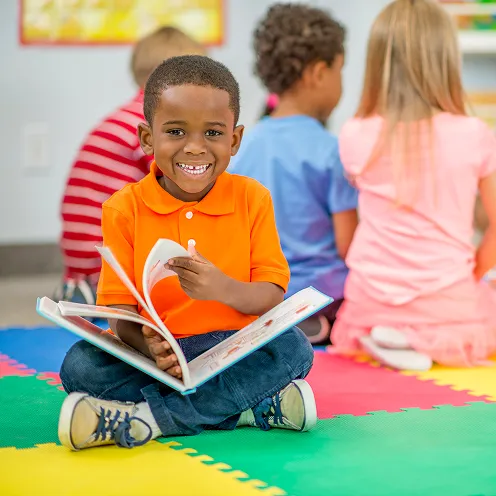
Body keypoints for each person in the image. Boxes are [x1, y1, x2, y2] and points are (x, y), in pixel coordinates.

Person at [57, 55, 317, 451]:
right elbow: (120, 316)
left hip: (232, 350)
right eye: (176, 131)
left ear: (234, 140)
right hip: (160, 362)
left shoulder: (253, 199)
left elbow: (271, 295)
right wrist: (149, 346)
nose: (195, 149)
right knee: (79, 365)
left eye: (213, 133)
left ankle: (145, 420)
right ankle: (247, 408)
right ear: (148, 139)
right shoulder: (123, 208)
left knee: (294, 347)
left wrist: (223, 288)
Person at [330, 0, 496, 370]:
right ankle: (415, 339)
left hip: (368, 303)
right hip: (447, 302)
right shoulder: (474, 134)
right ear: (446, 61)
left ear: (379, 62)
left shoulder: (354, 134)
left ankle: (398, 336)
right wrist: (470, 277)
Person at [231, 3, 358, 344]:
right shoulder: (333, 149)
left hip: (264, 295)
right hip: (325, 296)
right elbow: (349, 247)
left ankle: (285, 322)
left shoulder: (242, 147)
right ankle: (313, 321)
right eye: (339, 70)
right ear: (318, 73)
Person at [56, 26, 206, 305]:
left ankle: (84, 290)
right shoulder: (154, 123)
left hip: (80, 264)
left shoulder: (125, 116)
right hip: (106, 262)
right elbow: (186, 186)